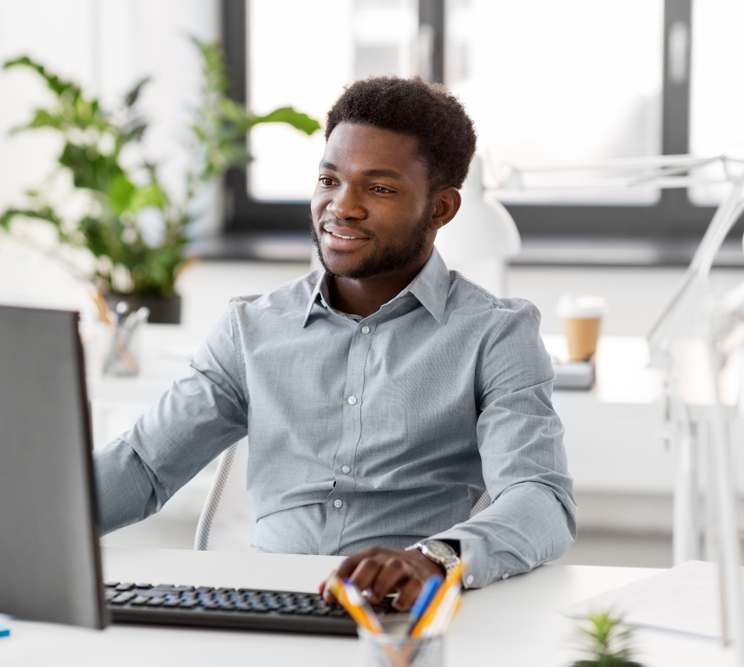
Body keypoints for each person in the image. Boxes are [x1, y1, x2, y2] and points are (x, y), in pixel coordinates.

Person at [94, 76, 576, 611]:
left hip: (400, 613)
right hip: (263, 607)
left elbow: (541, 499)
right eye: (329, 180)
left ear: (441, 208)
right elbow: (143, 467)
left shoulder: (496, 333)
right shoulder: (250, 328)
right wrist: (30, 513)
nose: (341, 207)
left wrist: (435, 559)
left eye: (380, 189)